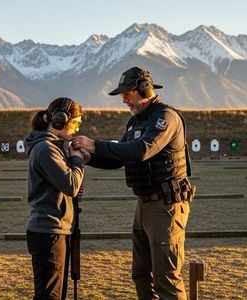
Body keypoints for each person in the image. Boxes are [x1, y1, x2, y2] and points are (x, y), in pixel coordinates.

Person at [71, 66, 195, 300]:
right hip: (145, 204)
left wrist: (94, 144)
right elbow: (121, 157)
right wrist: (89, 158)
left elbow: (142, 150)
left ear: (144, 90)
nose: (125, 101)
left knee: (166, 278)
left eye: (127, 95)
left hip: (166, 205)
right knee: (140, 273)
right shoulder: (136, 122)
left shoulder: (165, 117)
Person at [24, 97, 88, 300]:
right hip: (49, 231)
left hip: (54, 229)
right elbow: (70, 185)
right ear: (60, 120)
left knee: (56, 294)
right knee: (49, 296)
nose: (77, 129)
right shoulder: (46, 148)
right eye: (75, 123)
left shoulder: (51, 147)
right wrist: (77, 161)